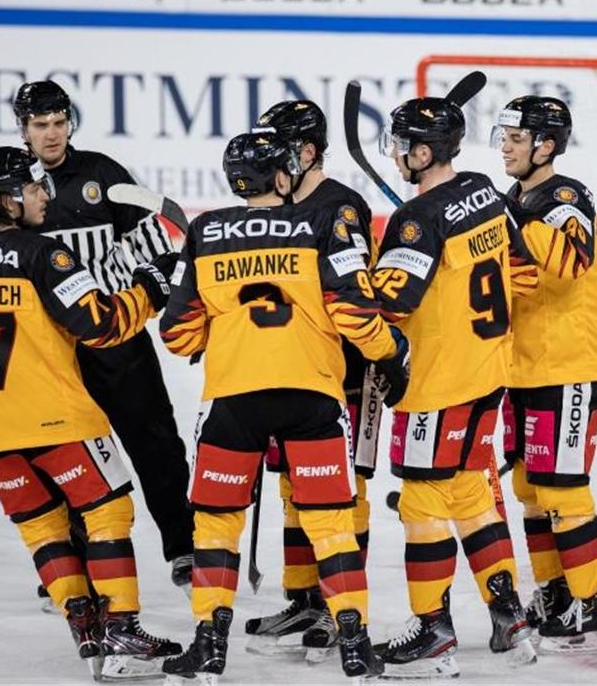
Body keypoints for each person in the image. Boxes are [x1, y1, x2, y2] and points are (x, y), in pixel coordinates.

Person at [157, 132, 409, 682]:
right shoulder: (319, 224)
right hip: (311, 395)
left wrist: (214, 331)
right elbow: (354, 313)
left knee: (217, 524)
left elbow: (176, 334)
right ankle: (355, 645)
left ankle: (209, 645)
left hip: (232, 399)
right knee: (331, 523)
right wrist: (393, 351)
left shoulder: (205, 231)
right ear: (279, 177)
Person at [0, 146, 181, 678]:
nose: (45, 193)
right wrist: (151, 289)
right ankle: (121, 632)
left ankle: (84, 625)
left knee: (43, 526)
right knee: (108, 512)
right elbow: (101, 324)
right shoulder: (43, 254)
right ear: (7, 200)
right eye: (33, 187)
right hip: (55, 419)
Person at [369, 96, 538, 678]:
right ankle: (509, 615)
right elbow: (525, 271)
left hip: (436, 386)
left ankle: (432, 632)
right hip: (489, 376)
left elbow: (389, 303)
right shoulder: (487, 192)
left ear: (421, 152)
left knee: (422, 503)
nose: (394, 153)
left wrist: (366, 267)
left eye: (399, 144)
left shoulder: (414, 221)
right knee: (470, 494)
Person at [6, 81, 195, 594]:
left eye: (59, 122)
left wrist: (153, 293)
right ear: (23, 128)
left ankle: (184, 546)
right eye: (40, 124)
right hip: (52, 354)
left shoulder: (102, 174)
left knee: (154, 441)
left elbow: (157, 247)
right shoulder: (10, 185)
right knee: (65, 457)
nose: (52, 133)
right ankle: (76, 561)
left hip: (117, 339)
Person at [240, 100, 386, 663]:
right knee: (294, 488)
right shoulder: (276, 207)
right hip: (295, 374)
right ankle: (303, 597)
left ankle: (339, 608)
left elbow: (355, 296)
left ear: (304, 152)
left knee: (344, 494)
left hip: (351, 373)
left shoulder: (339, 207)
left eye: (280, 150)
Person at [492, 95, 597, 653]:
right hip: (522, 367)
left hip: (569, 364)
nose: (505, 146)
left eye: (516, 138)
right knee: (529, 490)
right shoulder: (513, 199)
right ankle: (556, 594)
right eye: (504, 137)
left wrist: (506, 226)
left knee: (564, 491)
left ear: (546, 144)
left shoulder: (565, 197)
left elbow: (569, 263)